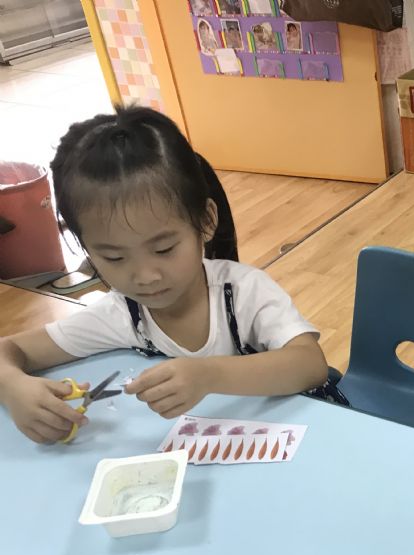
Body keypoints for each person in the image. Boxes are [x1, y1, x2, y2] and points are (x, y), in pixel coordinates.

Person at [0, 107, 331, 444]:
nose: (145, 276)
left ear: (206, 221)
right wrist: (13, 387)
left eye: (164, 249)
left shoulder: (243, 292)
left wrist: (208, 375)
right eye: (114, 257)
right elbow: (8, 350)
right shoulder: (122, 313)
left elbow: (309, 364)